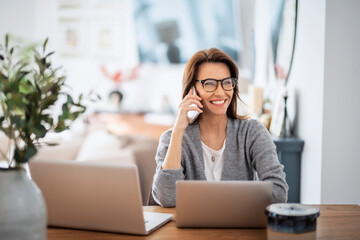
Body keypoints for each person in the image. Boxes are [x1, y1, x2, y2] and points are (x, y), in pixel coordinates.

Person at [152, 48, 288, 207]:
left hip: (240, 229)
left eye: (227, 82)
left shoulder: (252, 132)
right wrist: (178, 131)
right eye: (209, 83)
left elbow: (278, 193)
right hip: (189, 231)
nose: (220, 92)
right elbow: (167, 198)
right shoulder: (171, 138)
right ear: (192, 89)